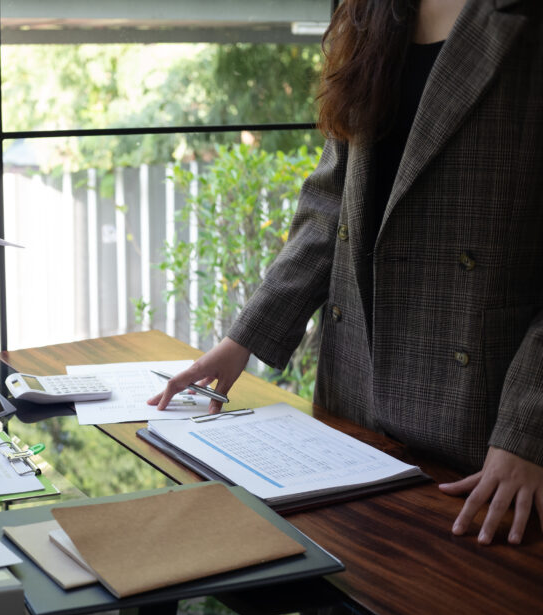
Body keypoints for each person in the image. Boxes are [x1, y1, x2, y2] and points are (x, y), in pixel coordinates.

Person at [151, 0, 543, 547]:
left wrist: (528, 432)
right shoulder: (372, 10)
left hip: (487, 433)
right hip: (352, 407)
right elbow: (332, 204)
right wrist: (243, 338)